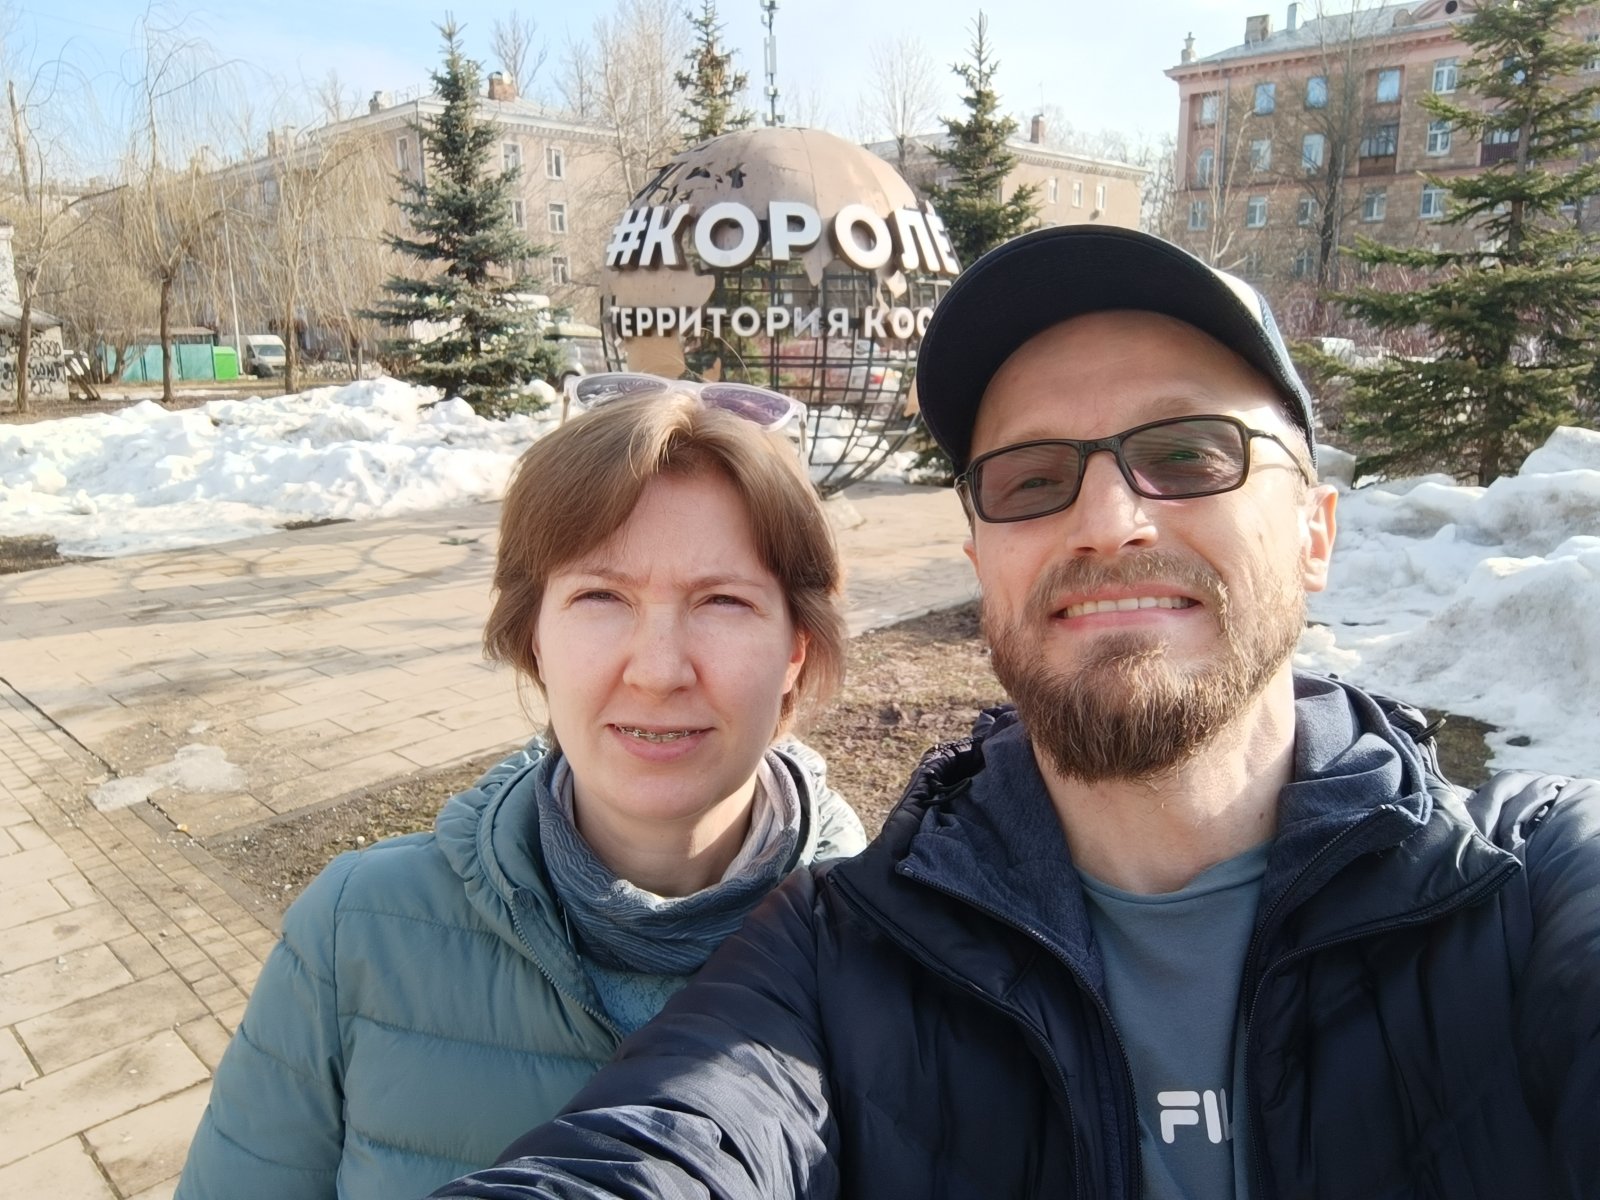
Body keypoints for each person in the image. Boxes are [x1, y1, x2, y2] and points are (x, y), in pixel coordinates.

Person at [429, 226, 1600, 1200]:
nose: (1108, 521)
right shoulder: (837, 959)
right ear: (980, 563)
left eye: (1187, 454)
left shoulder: (1526, 886)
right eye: (1032, 479)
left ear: (1315, 533)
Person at [174, 375, 866, 1200]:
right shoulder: (353, 935)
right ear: (534, 637)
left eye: (722, 601)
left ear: (796, 649)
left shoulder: (896, 960)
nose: (658, 671)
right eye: (601, 596)